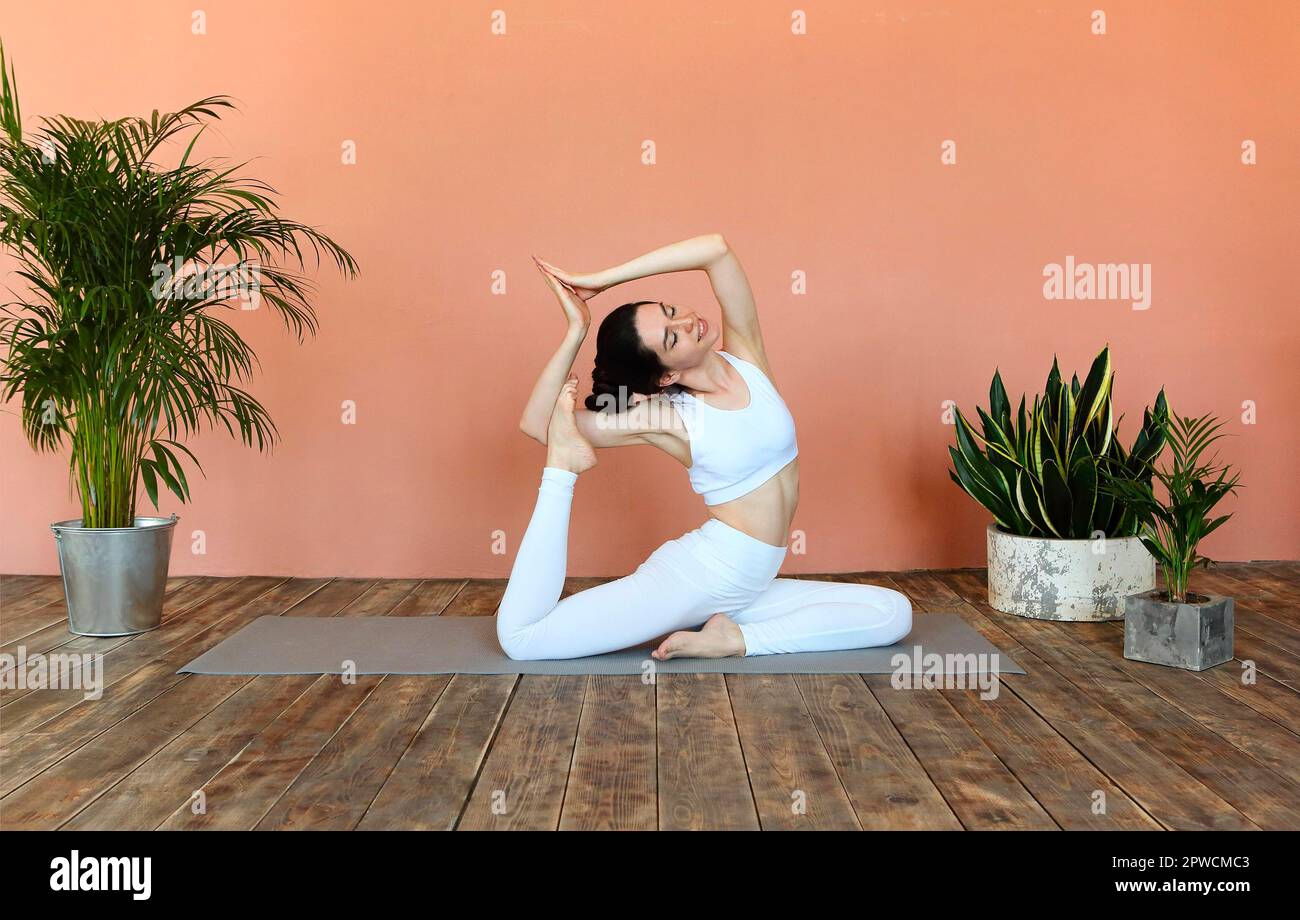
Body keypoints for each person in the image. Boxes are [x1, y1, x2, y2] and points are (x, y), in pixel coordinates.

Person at [499, 233, 911, 660]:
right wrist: (577, 328)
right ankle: (563, 470)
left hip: (750, 583)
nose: (686, 323)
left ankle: (730, 636)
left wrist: (603, 281)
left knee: (892, 614)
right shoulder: (669, 417)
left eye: (671, 312)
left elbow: (716, 249)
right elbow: (537, 422)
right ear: (664, 378)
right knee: (523, 640)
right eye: (671, 339)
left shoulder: (748, 360)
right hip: (703, 576)